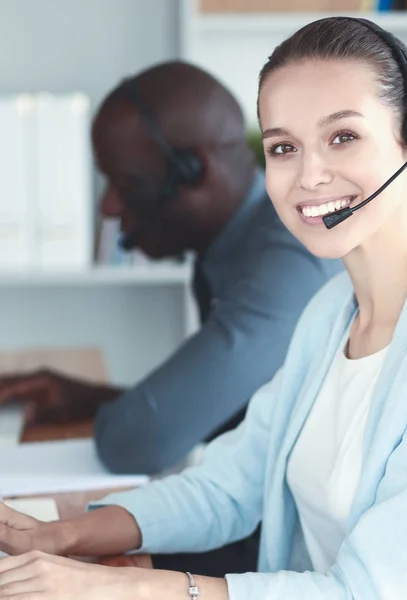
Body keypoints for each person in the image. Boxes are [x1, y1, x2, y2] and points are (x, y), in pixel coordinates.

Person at [0, 17, 407, 600]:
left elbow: (367, 590)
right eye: (284, 147)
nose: (310, 175)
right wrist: (62, 536)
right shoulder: (329, 314)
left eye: (343, 136)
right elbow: (229, 485)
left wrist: (121, 588)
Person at [0, 61, 341, 478]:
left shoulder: (292, 258)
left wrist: (127, 416)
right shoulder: (238, 243)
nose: (108, 207)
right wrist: (96, 399)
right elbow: (232, 413)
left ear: (195, 173)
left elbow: (138, 443)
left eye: (125, 184)